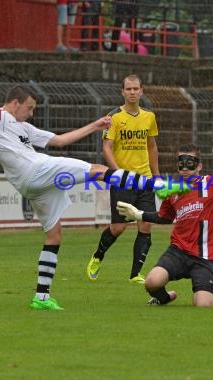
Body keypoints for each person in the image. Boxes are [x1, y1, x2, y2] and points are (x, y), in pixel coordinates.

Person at [0, 85, 184, 311]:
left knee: (54, 235)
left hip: (34, 185)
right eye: (29, 107)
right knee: (101, 171)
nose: (31, 113)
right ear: (14, 102)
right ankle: (158, 185)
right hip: (37, 170)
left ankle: (41, 296)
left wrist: (95, 125)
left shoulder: (23, 127)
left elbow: (59, 141)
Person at [116, 143, 213, 307]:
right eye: (181, 162)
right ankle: (164, 298)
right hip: (178, 252)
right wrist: (138, 214)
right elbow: (165, 218)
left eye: (190, 161)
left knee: (204, 305)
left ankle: (202, 286)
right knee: (151, 282)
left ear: (199, 166)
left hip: (206, 257)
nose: (185, 166)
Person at [86, 74, 159, 284]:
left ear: (142, 91)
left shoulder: (149, 117)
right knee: (118, 228)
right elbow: (106, 148)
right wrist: (118, 172)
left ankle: (135, 274)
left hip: (144, 179)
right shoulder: (114, 117)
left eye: (136, 89)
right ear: (123, 92)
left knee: (145, 225)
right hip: (123, 180)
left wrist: (157, 175)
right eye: (129, 89)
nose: (133, 92)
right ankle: (98, 256)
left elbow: (152, 146)